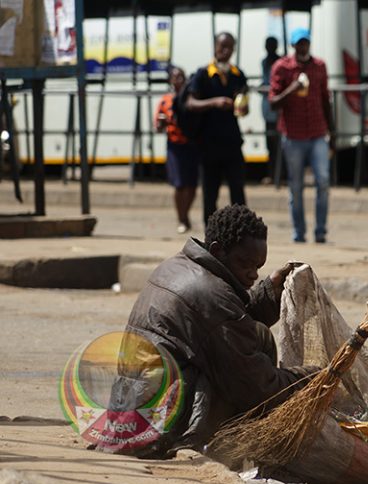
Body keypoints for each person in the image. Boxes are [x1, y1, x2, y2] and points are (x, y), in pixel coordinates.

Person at [123, 204, 320, 458]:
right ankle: (213, 444)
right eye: (245, 264)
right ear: (217, 251)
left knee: (256, 335)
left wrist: (268, 292)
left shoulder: (178, 265)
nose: (253, 274)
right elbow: (256, 384)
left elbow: (227, 323)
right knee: (246, 370)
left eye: (258, 267)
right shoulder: (212, 295)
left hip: (134, 405)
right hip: (159, 423)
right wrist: (307, 379)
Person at [269, 28, 335, 244]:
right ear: (292, 45)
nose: (302, 46)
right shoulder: (282, 67)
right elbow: (273, 101)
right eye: (299, 43)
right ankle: (299, 232)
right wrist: (292, 88)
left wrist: (331, 131)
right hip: (293, 134)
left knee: (323, 181)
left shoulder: (319, 66)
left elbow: (326, 99)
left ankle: (321, 231)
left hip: (317, 132)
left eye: (305, 42)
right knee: (295, 186)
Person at [186, 32, 249, 226]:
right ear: (215, 46)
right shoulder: (203, 73)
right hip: (209, 143)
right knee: (210, 193)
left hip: (231, 141)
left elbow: (244, 108)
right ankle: (210, 234)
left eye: (230, 47)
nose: (226, 51)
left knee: (237, 191)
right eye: (222, 46)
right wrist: (214, 102)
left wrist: (241, 106)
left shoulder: (238, 75)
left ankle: (242, 233)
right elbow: (190, 103)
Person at [154, 66, 199, 234]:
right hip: (175, 145)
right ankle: (181, 218)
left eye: (181, 76)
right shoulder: (166, 101)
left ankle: (185, 214)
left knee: (192, 185)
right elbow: (157, 126)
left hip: (191, 144)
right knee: (179, 184)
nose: (179, 80)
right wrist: (162, 123)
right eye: (175, 77)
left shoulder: (191, 98)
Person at [261, 36, 283, 184]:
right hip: (267, 109)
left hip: (278, 110)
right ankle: (272, 174)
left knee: (279, 144)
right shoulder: (264, 62)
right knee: (270, 144)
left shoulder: (280, 62)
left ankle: (280, 175)